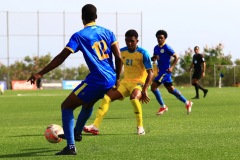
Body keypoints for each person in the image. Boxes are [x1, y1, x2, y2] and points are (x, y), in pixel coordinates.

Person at [27, 4, 122, 156]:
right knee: (87, 103)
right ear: (96, 17)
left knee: (66, 106)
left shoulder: (79, 35)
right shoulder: (108, 32)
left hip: (97, 79)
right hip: (111, 78)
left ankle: (70, 146)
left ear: (82, 17)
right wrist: (117, 79)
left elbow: (61, 57)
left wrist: (40, 73)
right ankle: (77, 132)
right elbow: (118, 57)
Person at [84, 29, 154, 135]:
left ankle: (140, 127)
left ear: (137, 41)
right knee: (107, 98)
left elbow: (151, 73)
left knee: (134, 99)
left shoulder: (143, 53)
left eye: (132, 41)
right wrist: (117, 79)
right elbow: (118, 67)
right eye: (127, 41)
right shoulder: (122, 52)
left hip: (138, 82)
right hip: (125, 82)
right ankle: (95, 126)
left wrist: (144, 89)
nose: (129, 43)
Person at [151, 30, 193, 115]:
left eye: (161, 38)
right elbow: (154, 57)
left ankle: (163, 106)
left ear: (165, 38)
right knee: (171, 90)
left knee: (153, 87)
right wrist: (154, 58)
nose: (159, 39)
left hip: (165, 72)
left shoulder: (167, 47)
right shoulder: (156, 48)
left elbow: (177, 57)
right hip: (161, 72)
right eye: (158, 38)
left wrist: (172, 67)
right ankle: (187, 102)